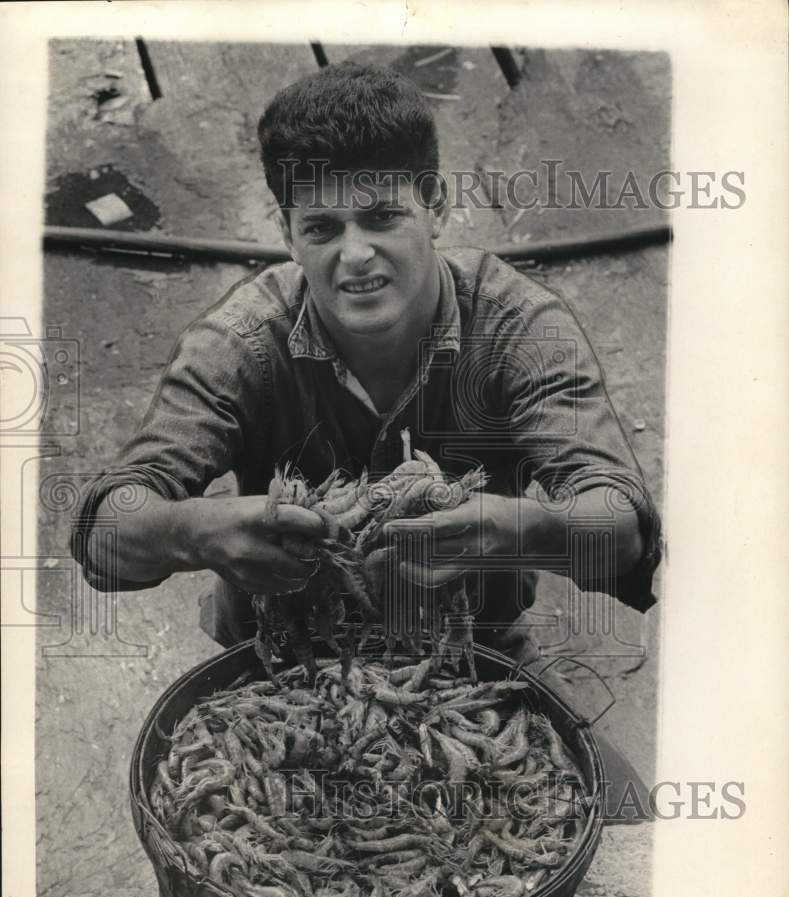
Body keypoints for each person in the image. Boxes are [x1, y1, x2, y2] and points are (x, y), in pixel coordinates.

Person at [72, 61, 661, 666]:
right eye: (323, 228)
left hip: (476, 650)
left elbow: (623, 526)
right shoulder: (240, 342)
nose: (355, 255)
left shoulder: (521, 329)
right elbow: (105, 530)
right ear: (288, 234)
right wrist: (193, 532)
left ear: (435, 205)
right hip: (281, 658)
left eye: (382, 216)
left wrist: (524, 529)